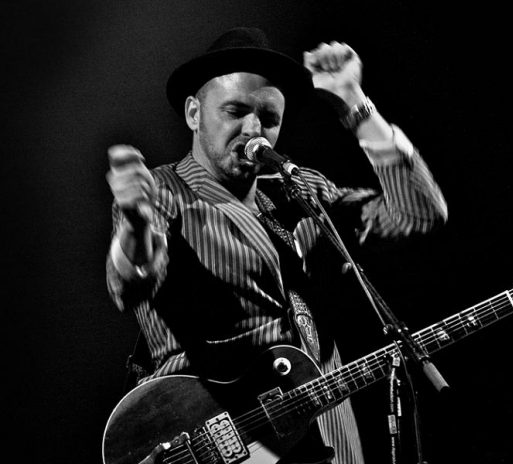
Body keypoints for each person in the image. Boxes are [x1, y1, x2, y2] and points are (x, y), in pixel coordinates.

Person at [106, 27, 448, 464]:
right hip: (211, 435)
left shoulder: (296, 191)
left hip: (322, 424)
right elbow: (130, 280)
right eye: (235, 110)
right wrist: (135, 222)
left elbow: (418, 211)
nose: (254, 130)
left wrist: (355, 103)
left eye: (269, 118)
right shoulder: (164, 190)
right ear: (194, 113)